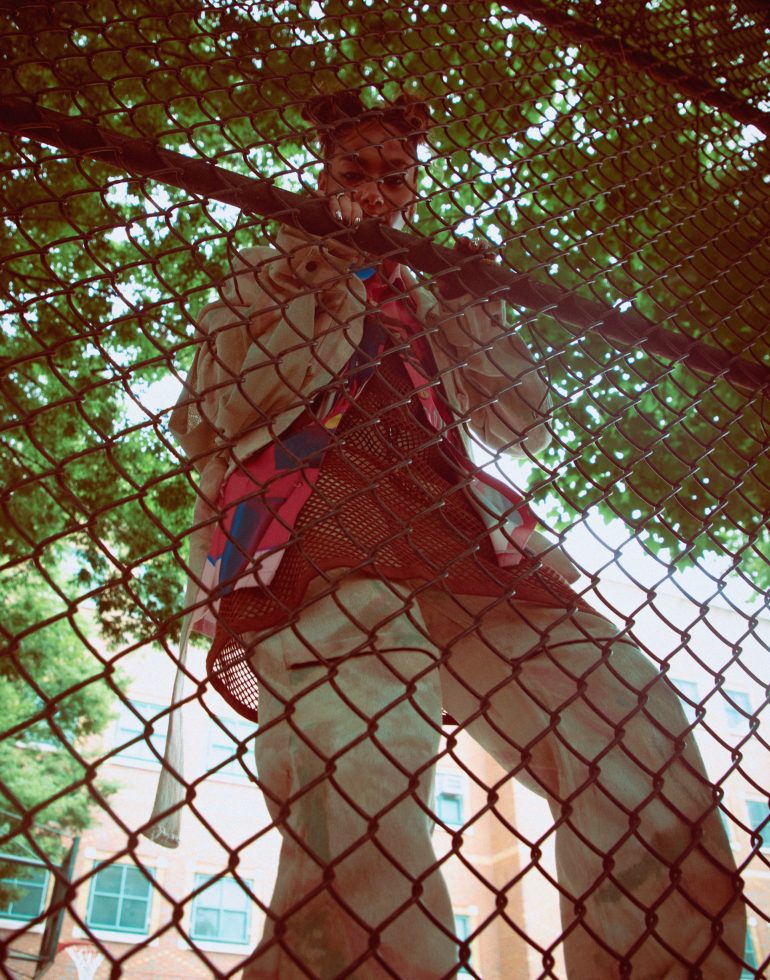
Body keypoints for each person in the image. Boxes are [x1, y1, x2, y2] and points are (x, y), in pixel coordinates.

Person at [159, 91, 746, 977]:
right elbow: (213, 413)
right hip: (318, 537)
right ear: (322, 174)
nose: (376, 190)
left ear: (414, 188)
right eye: (355, 170)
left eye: (395, 176)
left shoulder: (427, 291)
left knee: (630, 715)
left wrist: (475, 307)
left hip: (469, 546)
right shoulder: (271, 266)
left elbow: (523, 425)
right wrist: (313, 267)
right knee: (365, 774)